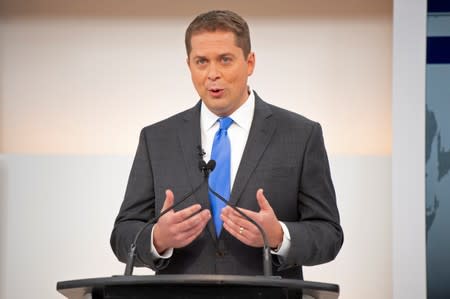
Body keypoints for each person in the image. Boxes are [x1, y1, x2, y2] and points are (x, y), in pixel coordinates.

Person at [110, 10, 343, 279]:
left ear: (250, 62)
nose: (212, 74)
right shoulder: (157, 139)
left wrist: (280, 235)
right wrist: (157, 238)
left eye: (225, 60)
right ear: (189, 66)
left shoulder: (301, 135)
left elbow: (329, 234)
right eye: (201, 61)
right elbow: (122, 234)